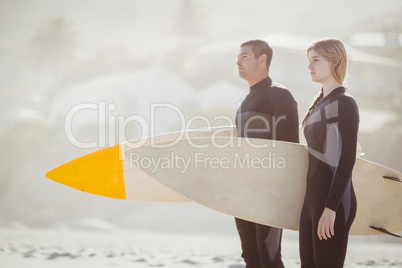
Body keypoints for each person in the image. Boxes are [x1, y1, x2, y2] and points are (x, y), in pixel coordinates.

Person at [235, 39, 299, 267]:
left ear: (262, 59)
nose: (238, 61)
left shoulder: (279, 95)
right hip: (244, 195)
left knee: (268, 255)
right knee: (250, 257)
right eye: (238, 56)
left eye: (244, 56)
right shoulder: (245, 101)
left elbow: (291, 150)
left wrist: (282, 195)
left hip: (269, 195)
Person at [300, 38, 359, 267]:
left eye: (316, 60)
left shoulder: (344, 102)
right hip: (311, 203)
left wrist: (330, 208)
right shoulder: (320, 104)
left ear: (334, 61)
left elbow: (346, 160)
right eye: (309, 60)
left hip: (334, 204)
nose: (309, 66)